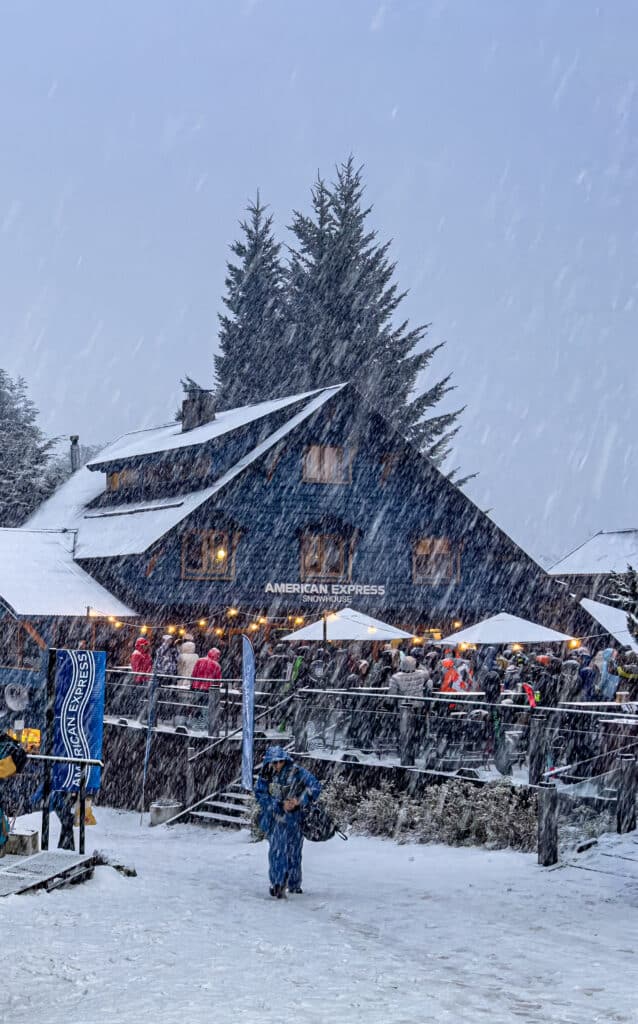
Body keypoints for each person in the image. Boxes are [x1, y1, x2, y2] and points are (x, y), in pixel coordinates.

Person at [254, 745, 321, 898]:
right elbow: (260, 794)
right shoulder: (266, 774)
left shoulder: (297, 772)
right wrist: (277, 804)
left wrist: (299, 800)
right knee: (277, 852)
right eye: (274, 762)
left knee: (294, 853)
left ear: (285, 760)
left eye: (279, 761)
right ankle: (277, 884)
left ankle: (294, 884)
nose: (276, 765)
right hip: (275, 819)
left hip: (296, 819)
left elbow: (315, 787)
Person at [191, 647, 223, 735]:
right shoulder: (216, 665)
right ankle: (202, 725)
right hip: (209, 689)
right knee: (206, 708)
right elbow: (218, 680)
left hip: (197, 687)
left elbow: (194, 673)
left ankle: (195, 724)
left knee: (197, 705)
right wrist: (217, 688)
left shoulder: (199, 661)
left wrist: (193, 684)